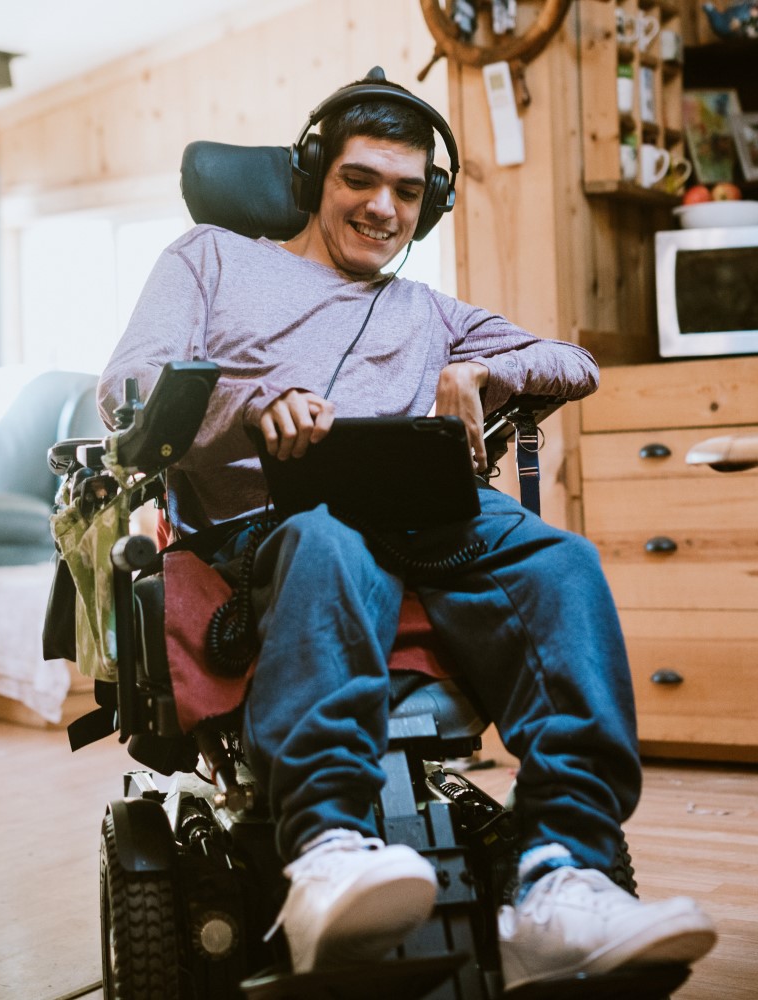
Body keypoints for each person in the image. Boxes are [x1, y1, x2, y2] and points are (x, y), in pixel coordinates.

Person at [98, 69, 717, 989]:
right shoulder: (211, 259)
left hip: (427, 521)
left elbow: (575, 363)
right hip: (277, 523)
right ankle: (329, 849)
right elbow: (126, 393)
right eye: (361, 180)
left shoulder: (427, 310)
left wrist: (488, 373)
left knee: (564, 565)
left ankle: (564, 875)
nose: (383, 208)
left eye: (408, 191)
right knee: (331, 541)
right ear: (315, 176)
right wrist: (251, 399)